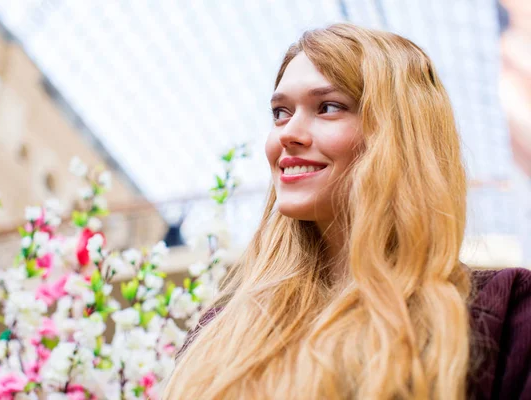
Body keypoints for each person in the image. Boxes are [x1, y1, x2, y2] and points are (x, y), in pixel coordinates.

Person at [163, 23, 531, 400]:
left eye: (328, 107)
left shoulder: (505, 314)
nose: (288, 132)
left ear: (401, 134)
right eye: (280, 112)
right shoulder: (221, 331)